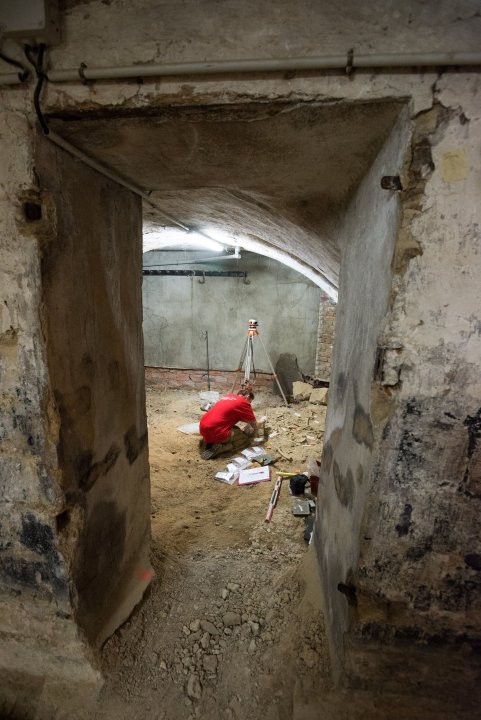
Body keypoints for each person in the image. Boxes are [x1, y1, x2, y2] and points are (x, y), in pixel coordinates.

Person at [199, 384, 259, 460]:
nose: (250, 404)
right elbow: (253, 424)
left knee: (233, 427)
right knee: (243, 438)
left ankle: (207, 441)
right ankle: (222, 448)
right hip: (216, 431)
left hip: (203, 427)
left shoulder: (228, 396)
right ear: (247, 396)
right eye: (250, 401)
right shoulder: (244, 402)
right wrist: (259, 425)